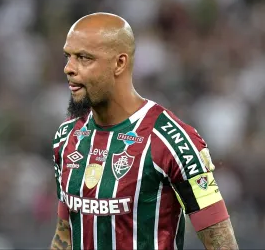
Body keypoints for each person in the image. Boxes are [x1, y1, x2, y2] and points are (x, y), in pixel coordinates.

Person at [50, 13, 239, 250]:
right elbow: (64, 235)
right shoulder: (67, 137)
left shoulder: (173, 140)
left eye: (84, 58)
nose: (69, 68)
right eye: (68, 56)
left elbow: (222, 244)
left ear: (119, 63)